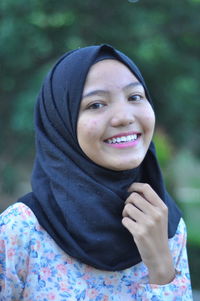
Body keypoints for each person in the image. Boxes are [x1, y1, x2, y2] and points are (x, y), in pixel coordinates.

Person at [0, 44, 193, 300]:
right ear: (62, 122)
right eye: (96, 104)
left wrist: (161, 266)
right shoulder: (21, 230)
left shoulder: (166, 225)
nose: (123, 117)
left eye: (135, 97)